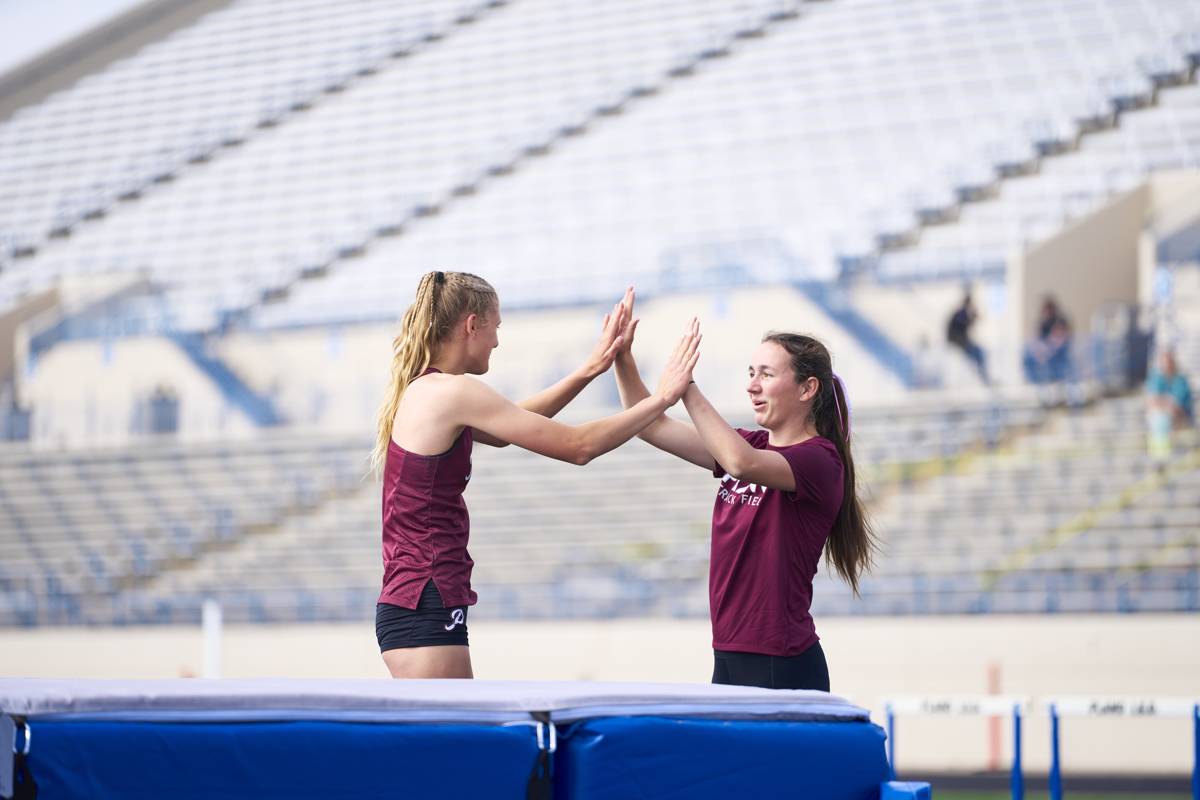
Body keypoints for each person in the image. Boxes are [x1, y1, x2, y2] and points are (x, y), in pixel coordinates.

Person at [371, 272, 699, 679]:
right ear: (472, 325)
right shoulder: (453, 392)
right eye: (495, 327)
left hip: (417, 597)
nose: (497, 340)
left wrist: (590, 369)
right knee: (454, 740)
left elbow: (510, 427)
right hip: (424, 596)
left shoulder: (429, 389)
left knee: (451, 738)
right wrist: (663, 399)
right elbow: (579, 447)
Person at [612, 289, 876, 691]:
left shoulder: (819, 460)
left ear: (807, 389)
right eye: (751, 373)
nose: (753, 386)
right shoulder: (751, 444)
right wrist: (622, 357)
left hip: (780, 661)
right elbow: (650, 425)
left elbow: (740, 463)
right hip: (728, 654)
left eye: (767, 375)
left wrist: (687, 388)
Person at [1145, 348, 1194, 466]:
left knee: (1161, 418)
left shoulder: (1180, 380)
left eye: (1168, 362)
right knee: (1158, 417)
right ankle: (1161, 457)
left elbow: (1178, 406)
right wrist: (1166, 403)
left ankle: (1162, 457)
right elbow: (1151, 401)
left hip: (1181, 417)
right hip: (1164, 417)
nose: (1165, 366)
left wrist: (1164, 403)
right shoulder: (1157, 378)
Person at [1023, 296, 1073, 385]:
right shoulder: (1043, 323)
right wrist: (1040, 350)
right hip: (1046, 349)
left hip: (1057, 350)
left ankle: (1057, 379)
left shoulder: (1060, 320)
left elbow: (1060, 338)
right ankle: (1034, 380)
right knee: (1028, 355)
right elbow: (1038, 339)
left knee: (1055, 359)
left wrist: (1050, 346)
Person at [946, 291, 988, 384]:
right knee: (977, 353)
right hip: (957, 342)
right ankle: (984, 378)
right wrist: (973, 317)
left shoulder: (962, 313)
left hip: (961, 341)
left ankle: (984, 376)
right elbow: (965, 324)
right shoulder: (961, 313)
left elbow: (968, 325)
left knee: (979, 352)